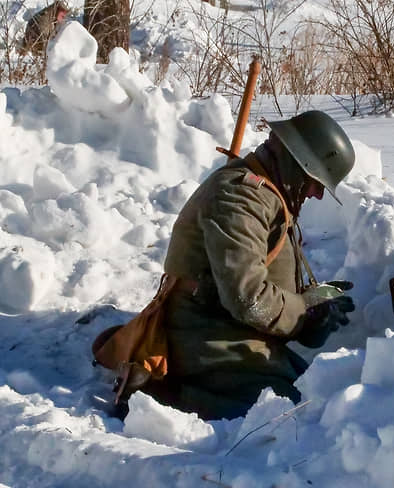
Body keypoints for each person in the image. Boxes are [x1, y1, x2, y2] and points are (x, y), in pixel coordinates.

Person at [139, 111, 356, 420]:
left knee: (316, 392)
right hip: (204, 335)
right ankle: (166, 398)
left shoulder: (269, 195)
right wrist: (304, 315)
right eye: (315, 182)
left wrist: (314, 303)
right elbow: (248, 296)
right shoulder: (240, 196)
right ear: (298, 165)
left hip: (232, 331)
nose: (318, 194)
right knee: (288, 414)